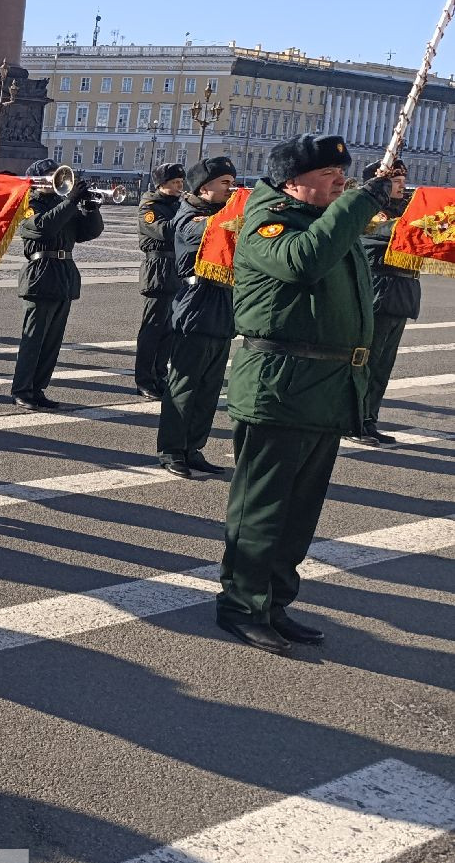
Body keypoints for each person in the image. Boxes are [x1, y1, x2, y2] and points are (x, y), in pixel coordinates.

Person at [216, 133, 392, 654]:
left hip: (321, 389)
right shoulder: (269, 223)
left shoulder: (322, 221)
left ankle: (274, 603)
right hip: (279, 387)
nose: (340, 182)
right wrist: (360, 202)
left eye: (343, 174)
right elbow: (303, 263)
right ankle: (241, 606)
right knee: (262, 510)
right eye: (327, 175)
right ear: (292, 183)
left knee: (298, 513)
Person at [155, 157, 237, 478]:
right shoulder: (189, 216)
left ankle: (193, 447)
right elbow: (208, 232)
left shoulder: (222, 214)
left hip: (222, 306)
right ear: (204, 189)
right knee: (185, 384)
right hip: (196, 303)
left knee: (209, 387)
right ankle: (171, 449)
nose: (231, 189)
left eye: (232, 183)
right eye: (225, 183)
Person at [10, 159, 103, 409]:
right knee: (34, 339)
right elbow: (43, 228)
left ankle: (38, 388)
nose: (58, 180)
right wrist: (70, 202)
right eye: (52, 176)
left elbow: (88, 233)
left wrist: (90, 209)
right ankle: (22, 390)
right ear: (38, 180)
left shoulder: (61, 204)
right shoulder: (29, 205)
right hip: (40, 275)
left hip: (63, 275)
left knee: (52, 341)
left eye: (59, 175)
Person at [358, 161, 419, 445]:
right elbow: (387, 233)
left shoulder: (403, 213)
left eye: (404, 179)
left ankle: (369, 420)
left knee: (383, 366)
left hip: (400, 297)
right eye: (396, 180)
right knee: (366, 364)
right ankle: (355, 421)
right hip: (378, 295)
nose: (402, 185)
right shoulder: (370, 213)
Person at [135, 163, 186, 398]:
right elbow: (165, 231)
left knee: (169, 330)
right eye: (175, 183)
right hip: (157, 269)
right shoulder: (149, 207)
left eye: (181, 182)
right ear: (162, 185)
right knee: (152, 329)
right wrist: (188, 213)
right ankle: (144, 380)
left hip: (175, 270)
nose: (180, 187)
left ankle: (160, 376)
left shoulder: (177, 206)